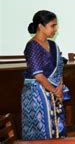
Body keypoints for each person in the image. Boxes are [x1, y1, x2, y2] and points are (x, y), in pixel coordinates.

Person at [22, 10, 70, 140]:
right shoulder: (32, 46)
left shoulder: (54, 45)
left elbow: (59, 68)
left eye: (56, 25)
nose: (56, 29)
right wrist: (55, 91)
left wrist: (60, 88)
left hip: (55, 93)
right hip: (37, 94)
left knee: (58, 130)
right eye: (52, 25)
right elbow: (38, 75)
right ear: (41, 26)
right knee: (42, 131)